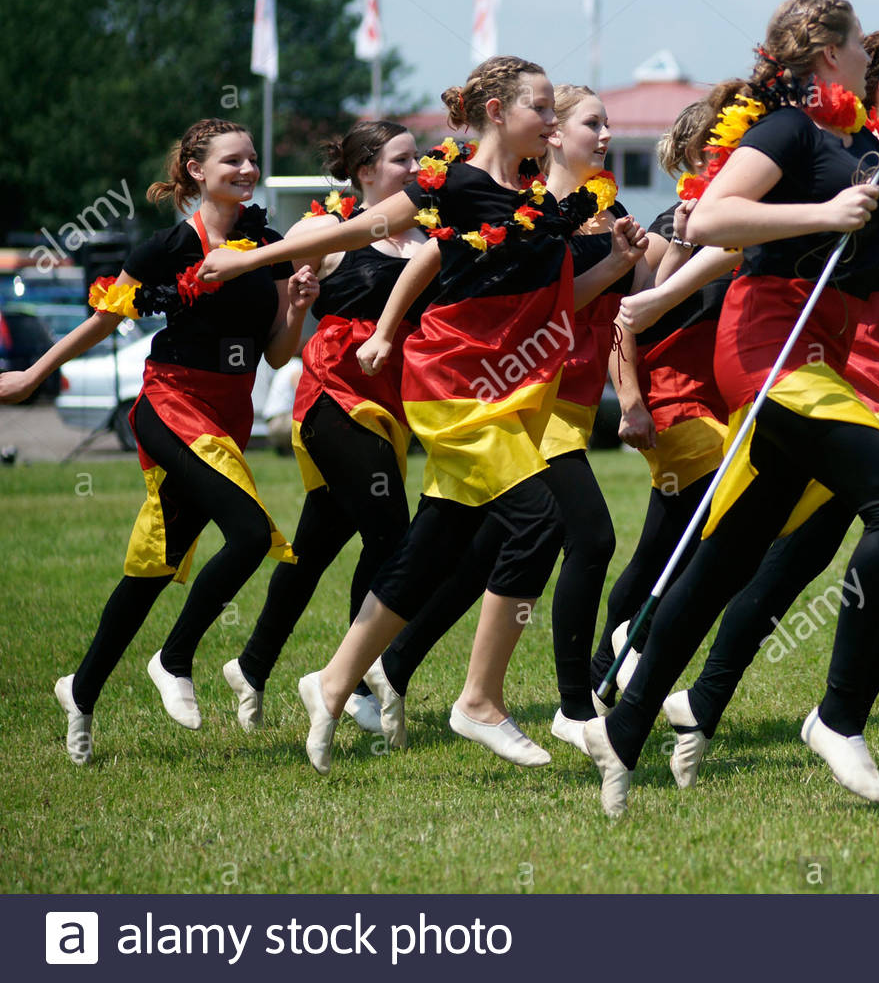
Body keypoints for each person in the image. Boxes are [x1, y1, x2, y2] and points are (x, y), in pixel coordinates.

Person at [582, 0, 879, 817]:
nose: (872, 53)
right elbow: (718, 217)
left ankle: (626, 728)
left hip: (822, 355)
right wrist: (824, 213)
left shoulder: (863, 142)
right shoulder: (787, 131)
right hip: (766, 346)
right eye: (862, 42)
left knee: (734, 551)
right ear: (829, 51)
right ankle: (838, 717)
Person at [198, 57, 646, 773]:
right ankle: (479, 701)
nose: (553, 123)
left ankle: (334, 680)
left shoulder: (540, 197)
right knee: (541, 520)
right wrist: (257, 261)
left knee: (433, 548)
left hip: (512, 391)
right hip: (455, 386)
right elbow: (361, 228)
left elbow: (562, 302)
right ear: (497, 112)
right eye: (541, 108)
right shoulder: (453, 181)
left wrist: (614, 267)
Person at [658, 31, 879, 786]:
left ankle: (703, 701)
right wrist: (662, 293)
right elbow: (727, 234)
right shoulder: (848, 152)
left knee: (796, 557)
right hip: (852, 379)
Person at [0, 118, 316, 764]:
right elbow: (101, 322)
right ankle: (173, 660)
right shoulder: (165, 247)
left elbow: (280, 356)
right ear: (197, 171)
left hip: (228, 419)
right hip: (169, 405)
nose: (248, 170)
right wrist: (33, 373)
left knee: (153, 567)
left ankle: (79, 690)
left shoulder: (272, 246)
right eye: (233, 160)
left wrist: (299, 306)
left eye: (253, 159)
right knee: (252, 535)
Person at [223, 121, 427, 734]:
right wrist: (298, 301)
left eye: (418, 159)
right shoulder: (324, 230)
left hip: (392, 410)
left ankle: (251, 665)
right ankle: (360, 682)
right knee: (396, 538)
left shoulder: (428, 237)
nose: (416, 170)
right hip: (334, 399)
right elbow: (279, 326)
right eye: (402, 160)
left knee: (315, 545)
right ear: (366, 172)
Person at [590, 95, 737, 708]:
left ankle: (603, 671)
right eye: (722, 151)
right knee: (705, 541)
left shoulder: (741, 233)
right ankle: (628, 653)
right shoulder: (657, 240)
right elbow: (625, 325)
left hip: (722, 407)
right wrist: (629, 404)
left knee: (664, 549)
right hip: (674, 407)